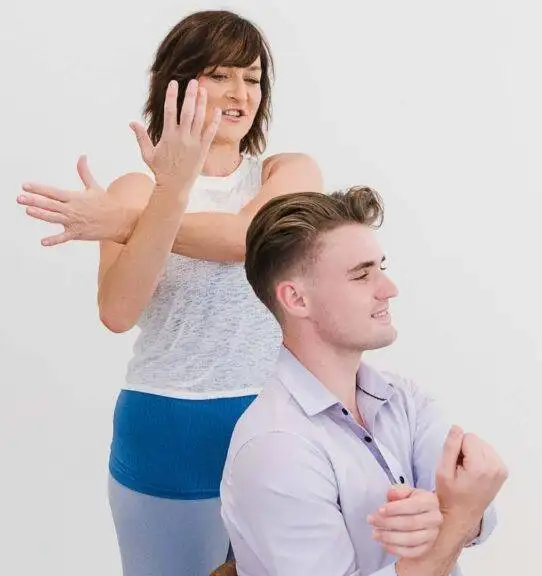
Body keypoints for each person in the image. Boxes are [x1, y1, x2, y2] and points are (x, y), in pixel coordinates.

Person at [16, 10, 322, 575]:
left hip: (276, 423)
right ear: (177, 83)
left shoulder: (288, 174)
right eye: (219, 74)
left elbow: (245, 239)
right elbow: (117, 311)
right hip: (168, 425)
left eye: (252, 78)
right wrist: (170, 189)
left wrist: (128, 222)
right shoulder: (134, 188)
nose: (240, 93)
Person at [220, 187, 507, 576]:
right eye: (361, 275)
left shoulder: (405, 399)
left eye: (381, 268)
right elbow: (469, 505)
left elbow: (479, 508)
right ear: (296, 299)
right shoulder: (275, 446)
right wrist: (456, 518)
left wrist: (452, 518)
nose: (389, 289)